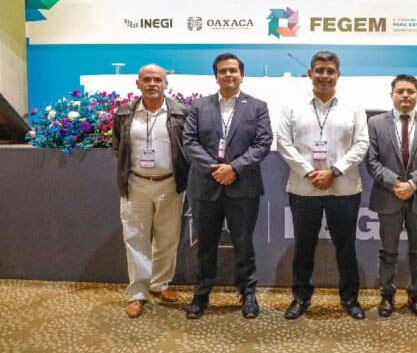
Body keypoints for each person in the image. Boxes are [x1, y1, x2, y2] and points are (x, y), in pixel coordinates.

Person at [276, 50, 369, 320]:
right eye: (319, 70)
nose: (324, 76)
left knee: (346, 246)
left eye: (330, 71)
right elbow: (283, 143)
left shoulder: (353, 107)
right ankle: (300, 297)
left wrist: (334, 171)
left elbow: (362, 144)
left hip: (344, 189)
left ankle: (350, 298)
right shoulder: (292, 106)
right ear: (310, 73)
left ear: (338, 75)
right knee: (304, 246)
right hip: (304, 189)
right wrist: (309, 172)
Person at [183, 53, 272, 319]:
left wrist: (234, 168)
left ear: (242, 75)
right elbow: (189, 142)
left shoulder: (257, 106)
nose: (228, 75)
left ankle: (248, 293)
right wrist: (216, 169)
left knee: (244, 243)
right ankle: (201, 295)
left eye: (233, 70)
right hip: (205, 186)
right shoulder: (199, 106)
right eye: (223, 71)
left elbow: (263, 143)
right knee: (205, 245)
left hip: (243, 186)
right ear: (216, 76)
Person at [111, 63, 190, 318]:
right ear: (138, 83)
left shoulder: (181, 113)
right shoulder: (124, 113)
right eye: (146, 79)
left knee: (168, 237)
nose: (152, 84)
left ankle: (160, 283)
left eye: (157, 79)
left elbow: (188, 146)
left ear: (166, 84)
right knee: (135, 238)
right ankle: (137, 293)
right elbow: (117, 146)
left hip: (170, 183)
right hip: (136, 184)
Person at [365, 74, 417, 318]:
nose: (405, 95)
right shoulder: (375, 123)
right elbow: (371, 161)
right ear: (392, 95)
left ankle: (415, 295)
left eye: (410, 91)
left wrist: (412, 184)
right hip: (389, 196)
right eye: (400, 91)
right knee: (388, 251)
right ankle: (387, 295)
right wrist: (397, 184)